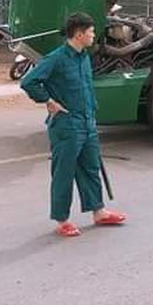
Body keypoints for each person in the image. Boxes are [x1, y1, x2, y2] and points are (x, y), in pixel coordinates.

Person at [21, 13, 127, 237]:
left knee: (90, 168)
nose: (93, 35)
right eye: (91, 32)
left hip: (87, 123)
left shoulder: (84, 57)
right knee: (64, 173)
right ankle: (62, 220)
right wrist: (48, 101)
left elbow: (86, 88)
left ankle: (98, 211)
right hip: (66, 126)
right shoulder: (56, 59)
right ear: (79, 34)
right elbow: (29, 81)